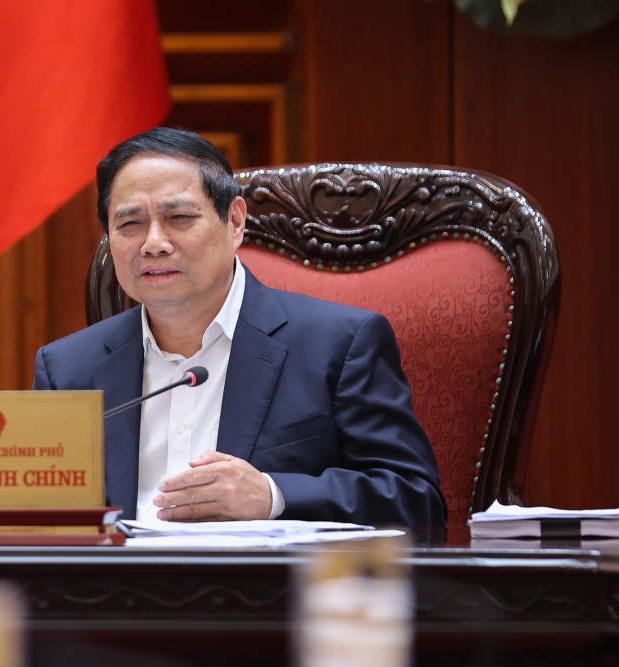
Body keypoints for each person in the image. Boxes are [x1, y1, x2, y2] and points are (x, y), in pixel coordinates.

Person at [32, 127, 447, 527]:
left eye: (179, 217)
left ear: (234, 222)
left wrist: (272, 495)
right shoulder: (67, 370)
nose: (154, 243)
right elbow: (41, 522)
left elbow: (417, 500)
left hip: (268, 577)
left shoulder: (339, 345)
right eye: (130, 224)